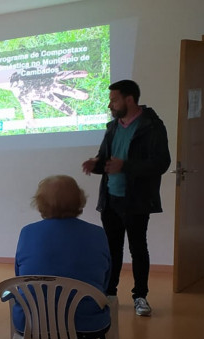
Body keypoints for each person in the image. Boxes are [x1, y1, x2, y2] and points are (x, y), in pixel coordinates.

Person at [14, 175, 124, 339]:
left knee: (30, 300)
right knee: (99, 300)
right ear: (80, 200)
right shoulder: (97, 234)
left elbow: (20, 275)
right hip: (86, 326)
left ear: (40, 203)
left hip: (32, 325)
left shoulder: (27, 233)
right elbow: (105, 278)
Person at [82, 79, 170, 317]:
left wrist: (126, 166)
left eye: (114, 99)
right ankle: (109, 293)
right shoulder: (112, 128)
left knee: (138, 248)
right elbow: (107, 161)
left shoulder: (151, 126)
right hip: (111, 198)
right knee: (111, 249)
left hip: (137, 200)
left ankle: (140, 296)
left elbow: (161, 163)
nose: (110, 104)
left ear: (129, 99)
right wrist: (96, 164)